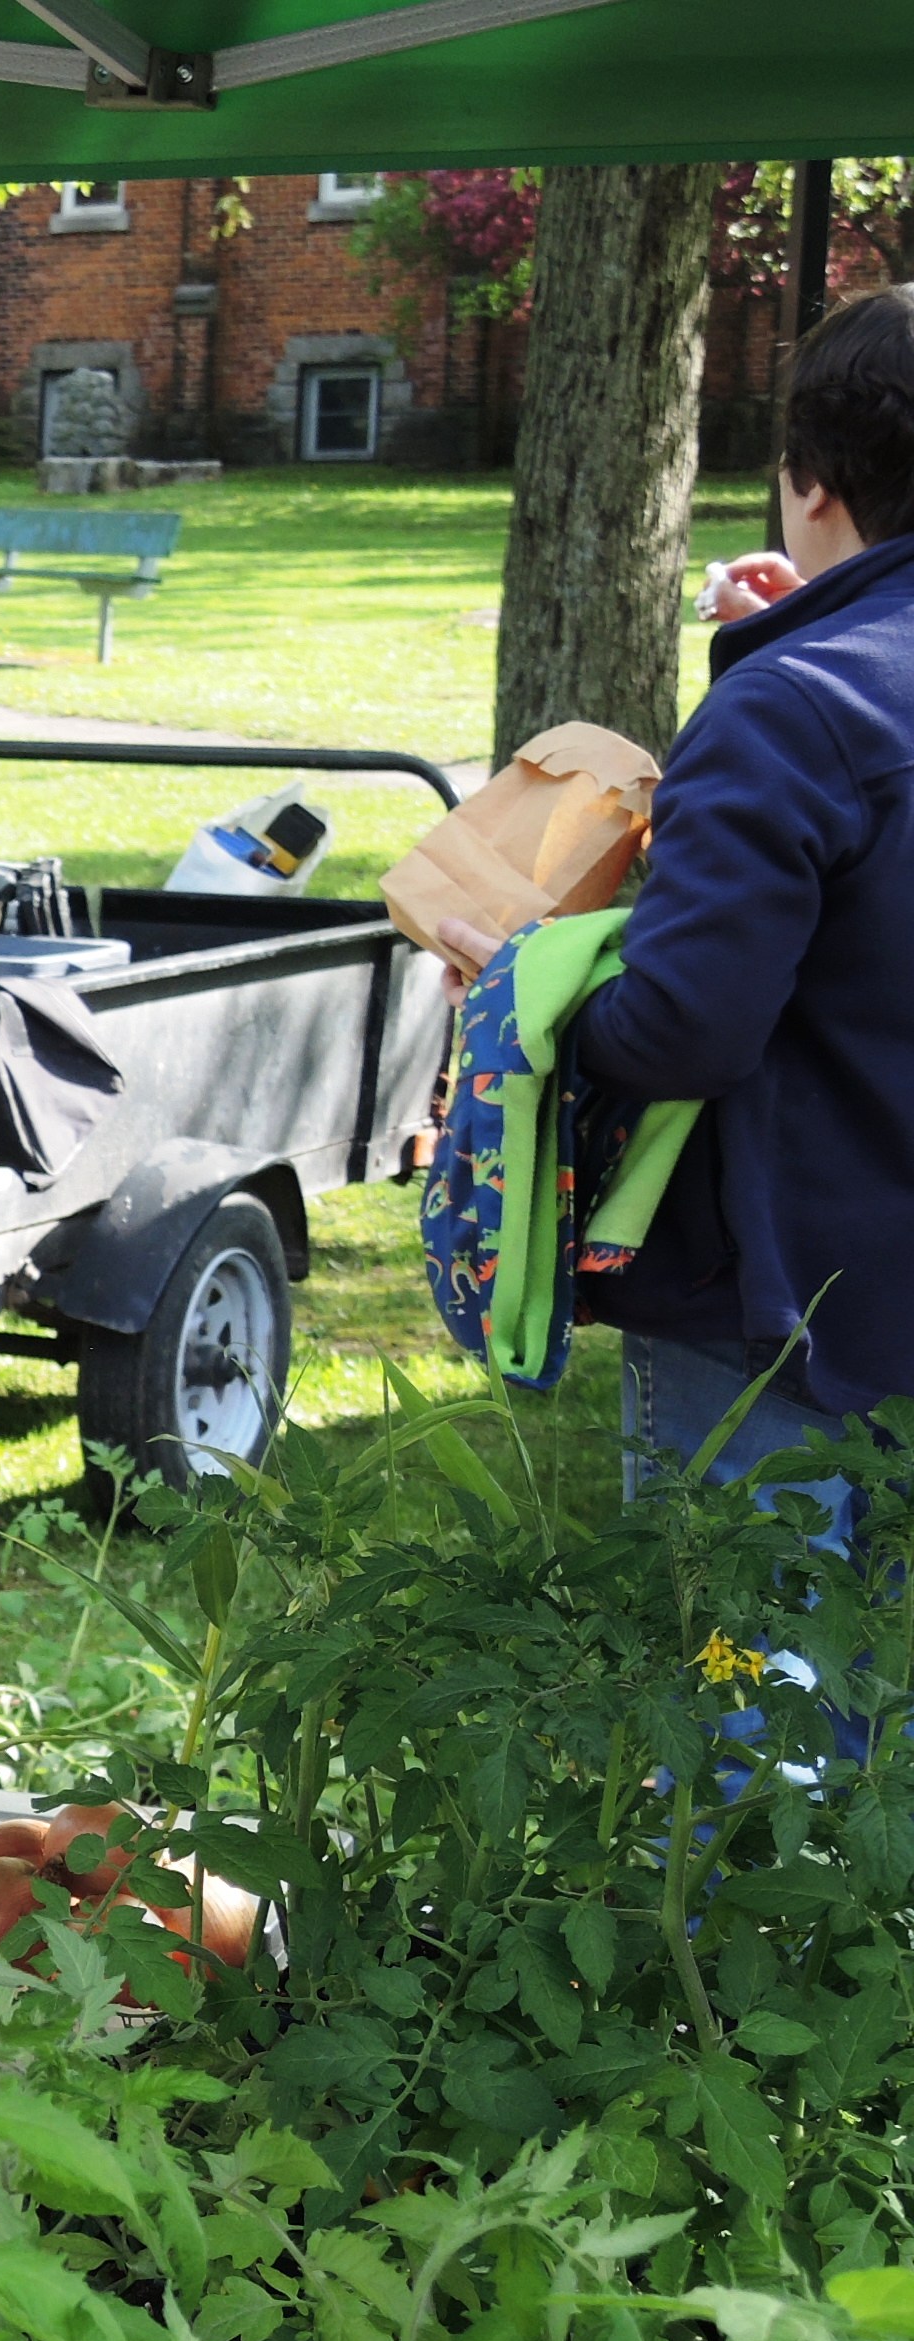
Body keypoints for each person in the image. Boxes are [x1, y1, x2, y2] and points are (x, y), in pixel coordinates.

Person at [546, 285, 914, 1510]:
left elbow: (682, 1026)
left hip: (795, 1314)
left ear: (810, 482)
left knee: (759, 1693)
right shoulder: (805, 701)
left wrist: (526, 987)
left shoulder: (793, 711)